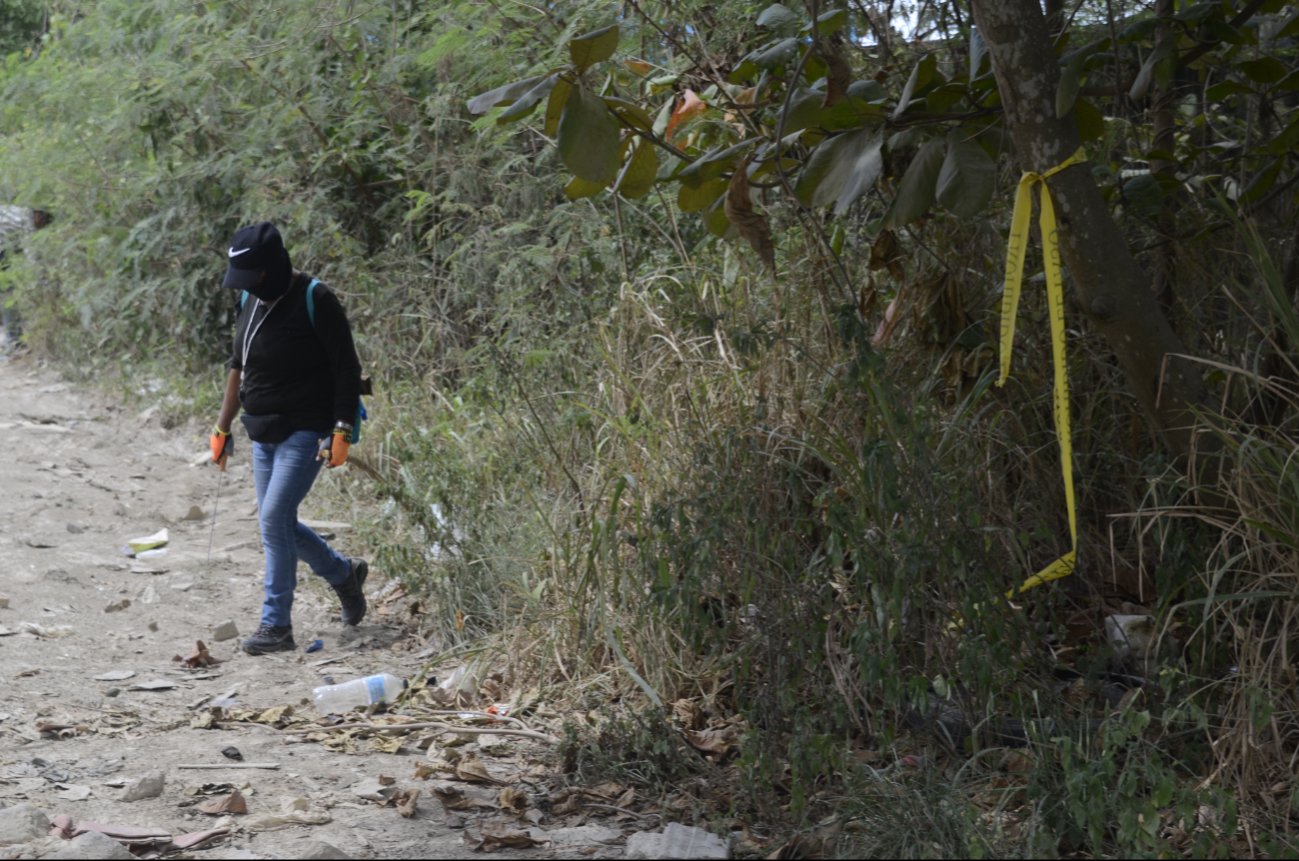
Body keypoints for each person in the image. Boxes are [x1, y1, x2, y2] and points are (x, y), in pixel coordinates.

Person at [210, 221, 369, 655]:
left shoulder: (317, 299)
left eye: (254, 277)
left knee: (272, 520)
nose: (248, 287)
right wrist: (223, 426)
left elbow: (345, 370)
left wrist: (342, 429)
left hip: (307, 429)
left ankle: (276, 625)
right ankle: (343, 574)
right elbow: (237, 366)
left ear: (274, 266)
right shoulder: (249, 299)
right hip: (261, 431)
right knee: (277, 522)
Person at [0, 206, 52, 348]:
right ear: (39, 216)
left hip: (3, 244)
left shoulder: (17, 212)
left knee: (6, 291)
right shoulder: (27, 220)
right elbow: (32, 255)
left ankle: (12, 336)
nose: (40, 227)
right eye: (43, 222)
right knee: (6, 291)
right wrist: (44, 281)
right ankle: (13, 338)